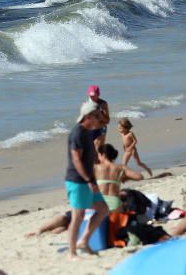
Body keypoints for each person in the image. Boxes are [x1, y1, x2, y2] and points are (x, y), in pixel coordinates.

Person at [65, 100, 110, 258]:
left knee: (103, 209)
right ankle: (71, 253)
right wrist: (88, 180)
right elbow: (76, 159)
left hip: (89, 180)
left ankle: (83, 241)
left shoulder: (87, 132)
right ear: (88, 116)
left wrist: (94, 178)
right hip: (77, 181)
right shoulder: (77, 133)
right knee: (78, 216)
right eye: (97, 116)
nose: (100, 119)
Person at [94, 144, 144, 213]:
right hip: (115, 204)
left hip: (100, 203)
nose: (98, 157)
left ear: (103, 155)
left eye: (99, 155)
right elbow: (139, 176)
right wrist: (126, 178)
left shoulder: (96, 167)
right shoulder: (120, 167)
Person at [86, 85, 110, 150]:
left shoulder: (103, 104)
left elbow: (107, 121)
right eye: (90, 96)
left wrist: (101, 115)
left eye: (94, 95)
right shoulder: (85, 104)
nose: (92, 97)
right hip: (89, 131)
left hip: (101, 129)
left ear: (98, 94)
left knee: (97, 151)